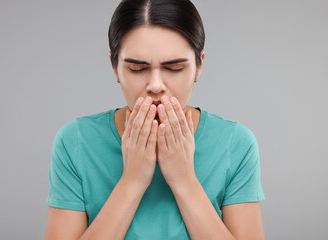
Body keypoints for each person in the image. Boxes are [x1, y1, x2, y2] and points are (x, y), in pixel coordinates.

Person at [45, 0, 266, 239]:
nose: (156, 86)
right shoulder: (75, 141)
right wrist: (132, 181)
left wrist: (185, 181)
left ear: (199, 64)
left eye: (175, 68)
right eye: (138, 69)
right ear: (114, 66)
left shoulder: (236, 143)